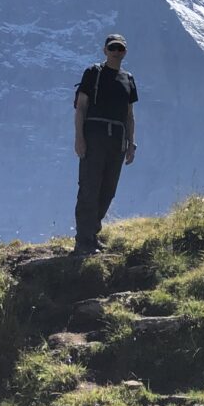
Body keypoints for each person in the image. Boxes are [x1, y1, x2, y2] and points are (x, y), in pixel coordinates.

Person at [72, 34, 138, 255]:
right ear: (105, 50)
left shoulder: (128, 79)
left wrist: (131, 143)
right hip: (94, 137)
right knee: (90, 186)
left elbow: (130, 115)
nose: (116, 52)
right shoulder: (93, 73)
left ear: (125, 52)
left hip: (117, 140)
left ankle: (92, 234)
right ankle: (83, 241)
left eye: (120, 48)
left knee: (108, 190)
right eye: (113, 48)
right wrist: (79, 138)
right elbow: (81, 107)